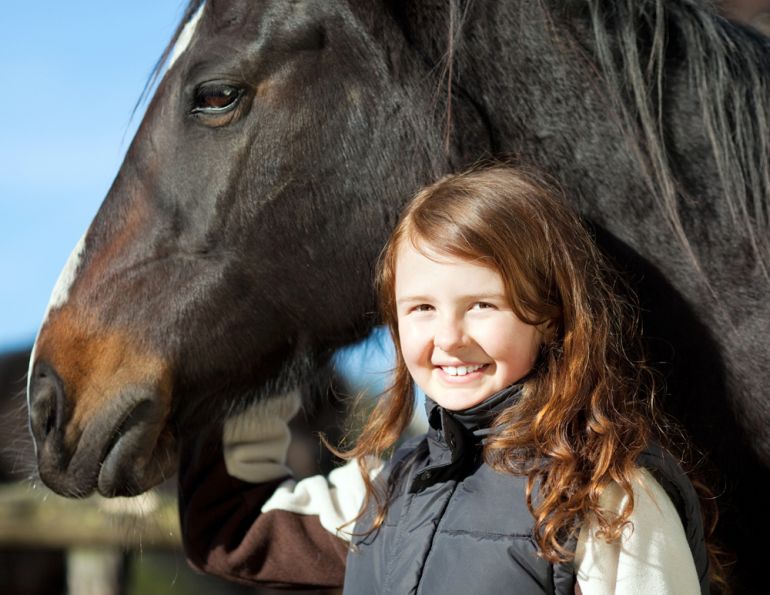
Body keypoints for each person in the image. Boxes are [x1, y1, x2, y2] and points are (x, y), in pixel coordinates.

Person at [178, 165, 713, 594]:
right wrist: (253, 358)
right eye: (422, 308)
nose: (448, 336)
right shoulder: (388, 490)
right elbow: (234, 532)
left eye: (482, 304)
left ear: (548, 315)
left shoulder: (608, 496)